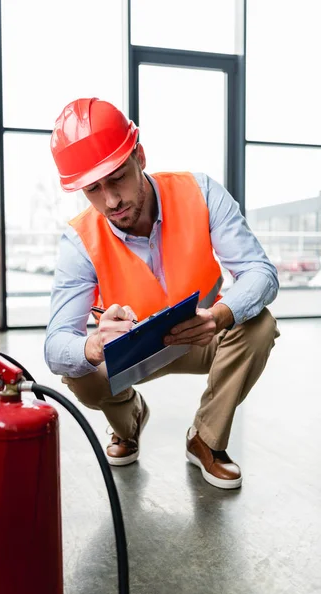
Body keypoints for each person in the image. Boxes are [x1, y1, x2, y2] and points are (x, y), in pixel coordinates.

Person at [45, 97, 279, 490]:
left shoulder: (201, 192)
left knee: (260, 323)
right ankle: (129, 420)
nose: (111, 201)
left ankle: (205, 440)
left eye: (117, 177)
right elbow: (55, 345)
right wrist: (95, 346)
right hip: (129, 352)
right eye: (93, 189)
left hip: (200, 334)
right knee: (78, 372)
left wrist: (218, 317)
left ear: (140, 154)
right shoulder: (79, 241)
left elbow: (261, 272)